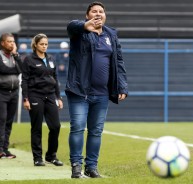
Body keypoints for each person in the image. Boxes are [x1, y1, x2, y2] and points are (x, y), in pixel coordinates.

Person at [66, 1, 128, 179]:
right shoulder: (79, 31)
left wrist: (122, 86)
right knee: (77, 128)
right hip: (79, 91)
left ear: (105, 15)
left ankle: (91, 167)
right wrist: (85, 26)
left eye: (101, 11)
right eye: (94, 11)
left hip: (101, 94)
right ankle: (76, 166)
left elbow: (119, 62)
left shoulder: (111, 35)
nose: (98, 14)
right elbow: (71, 26)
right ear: (87, 15)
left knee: (96, 131)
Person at [21, 33, 64, 166]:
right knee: (37, 127)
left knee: (56, 126)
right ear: (35, 45)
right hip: (35, 95)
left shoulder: (51, 59)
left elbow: (55, 79)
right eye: (42, 44)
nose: (44, 46)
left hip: (50, 96)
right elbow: (25, 80)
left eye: (46, 44)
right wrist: (25, 99)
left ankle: (51, 156)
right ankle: (37, 158)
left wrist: (59, 97)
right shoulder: (29, 60)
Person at [0, 33, 23, 159]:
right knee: (1, 120)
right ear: (2, 43)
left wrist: (16, 55)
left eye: (13, 41)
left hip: (14, 93)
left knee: (9, 122)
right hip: (1, 92)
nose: (12, 44)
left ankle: (5, 149)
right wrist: (16, 69)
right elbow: (3, 69)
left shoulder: (15, 56)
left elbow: (23, 69)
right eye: (9, 41)